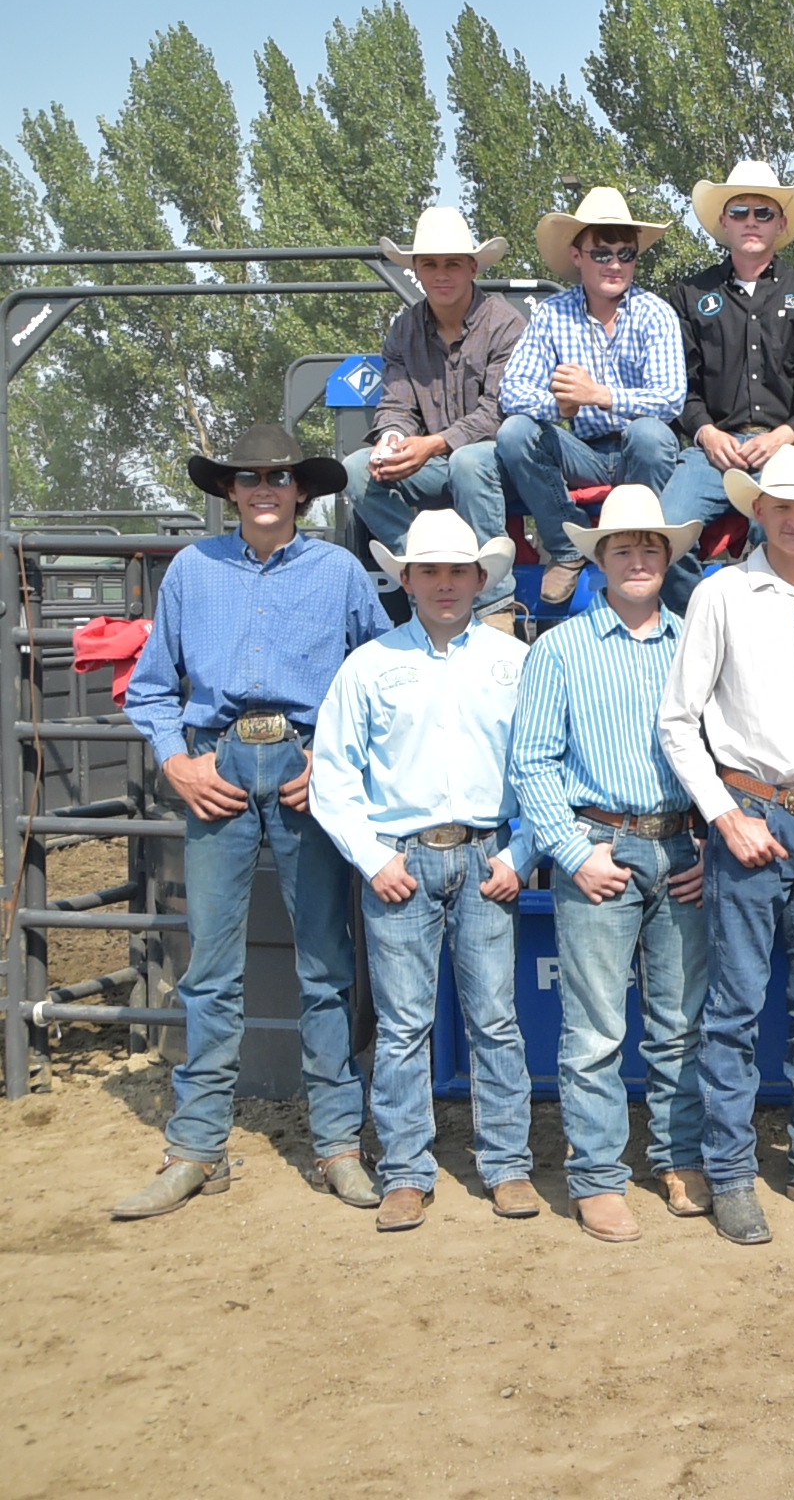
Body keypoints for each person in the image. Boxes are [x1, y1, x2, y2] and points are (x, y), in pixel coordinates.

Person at [113, 425, 391, 1221]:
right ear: (228, 491)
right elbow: (151, 686)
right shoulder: (192, 571)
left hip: (308, 767)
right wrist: (177, 763)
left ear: (301, 490)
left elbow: (380, 675)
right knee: (210, 965)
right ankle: (197, 1147)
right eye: (248, 478)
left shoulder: (339, 572)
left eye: (277, 477)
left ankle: (338, 1143)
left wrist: (336, 760)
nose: (264, 489)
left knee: (326, 962)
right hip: (218, 765)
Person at [656, 447, 794, 1245]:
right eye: (781, 505)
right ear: (757, 511)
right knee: (735, 1009)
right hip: (751, 814)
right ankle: (730, 1174)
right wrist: (724, 816)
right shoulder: (720, 594)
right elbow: (678, 721)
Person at [311, 511, 538, 1233]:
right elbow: (333, 774)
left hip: (487, 854)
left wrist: (522, 854)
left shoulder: (514, 662)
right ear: (405, 579)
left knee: (494, 1019)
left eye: (458, 571)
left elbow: (543, 765)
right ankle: (406, 1170)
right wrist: (373, 857)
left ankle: (507, 1165)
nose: (445, 584)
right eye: (430, 571)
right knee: (405, 1023)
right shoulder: (369, 665)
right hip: (400, 858)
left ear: (480, 579)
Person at [508, 486, 710, 1242]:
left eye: (650, 547)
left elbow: (721, 750)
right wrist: (572, 852)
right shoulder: (560, 649)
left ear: (667, 557)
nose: (637, 559)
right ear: (599, 560)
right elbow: (532, 762)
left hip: (681, 845)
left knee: (679, 1022)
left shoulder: (694, 643)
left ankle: (678, 1156)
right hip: (598, 843)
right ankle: (596, 1175)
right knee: (595, 1029)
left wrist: (711, 844)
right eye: (622, 548)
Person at [496, 186, 685, 608]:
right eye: (601, 253)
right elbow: (512, 392)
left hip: (640, 451)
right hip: (582, 451)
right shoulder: (551, 314)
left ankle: (639, 550)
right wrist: (560, 406)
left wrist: (599, 395)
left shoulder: (656, 313)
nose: (615, 264)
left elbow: (671, 399)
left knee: (651, 436)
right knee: (515, 432)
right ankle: (567, 546)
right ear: (577, 256)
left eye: (625, 253)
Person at [659, 160, 794, 605]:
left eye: (763, 212)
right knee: (667, 532)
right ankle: (700, 630)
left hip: (789, 449)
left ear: (781, 223)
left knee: (792, 533)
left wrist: (787, 434)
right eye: (739, 212)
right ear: (723, 221)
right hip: (713, 452)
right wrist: (706, 432)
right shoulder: (690, 296)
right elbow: (679, 385)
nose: (751, 221)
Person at [351, 206, 521, 632]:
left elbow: (500, 411)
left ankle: (495, 605)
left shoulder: (506, 324)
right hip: (433, 462)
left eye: (452, 264)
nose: (441, 274)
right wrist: (392, 440)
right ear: (416, 271)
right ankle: (425, 572)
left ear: (472, 267)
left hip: (500, 467)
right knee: (354, 469)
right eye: (429, 264)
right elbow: (396, 404)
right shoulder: (403, 329)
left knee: (470, 460)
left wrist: (433, 444)